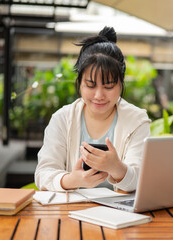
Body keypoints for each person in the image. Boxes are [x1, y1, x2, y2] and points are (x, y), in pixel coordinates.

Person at [35, 26, 151, 192]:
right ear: (80, 83)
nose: (99, 95)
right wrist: (71, 180)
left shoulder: (137, 121)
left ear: (121, 84)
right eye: (90, 85)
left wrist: (117, 168)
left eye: (109, 86)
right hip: (68, 214)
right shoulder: (62, 119)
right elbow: (43, 174)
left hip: (119, 216)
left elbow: (140, 181)